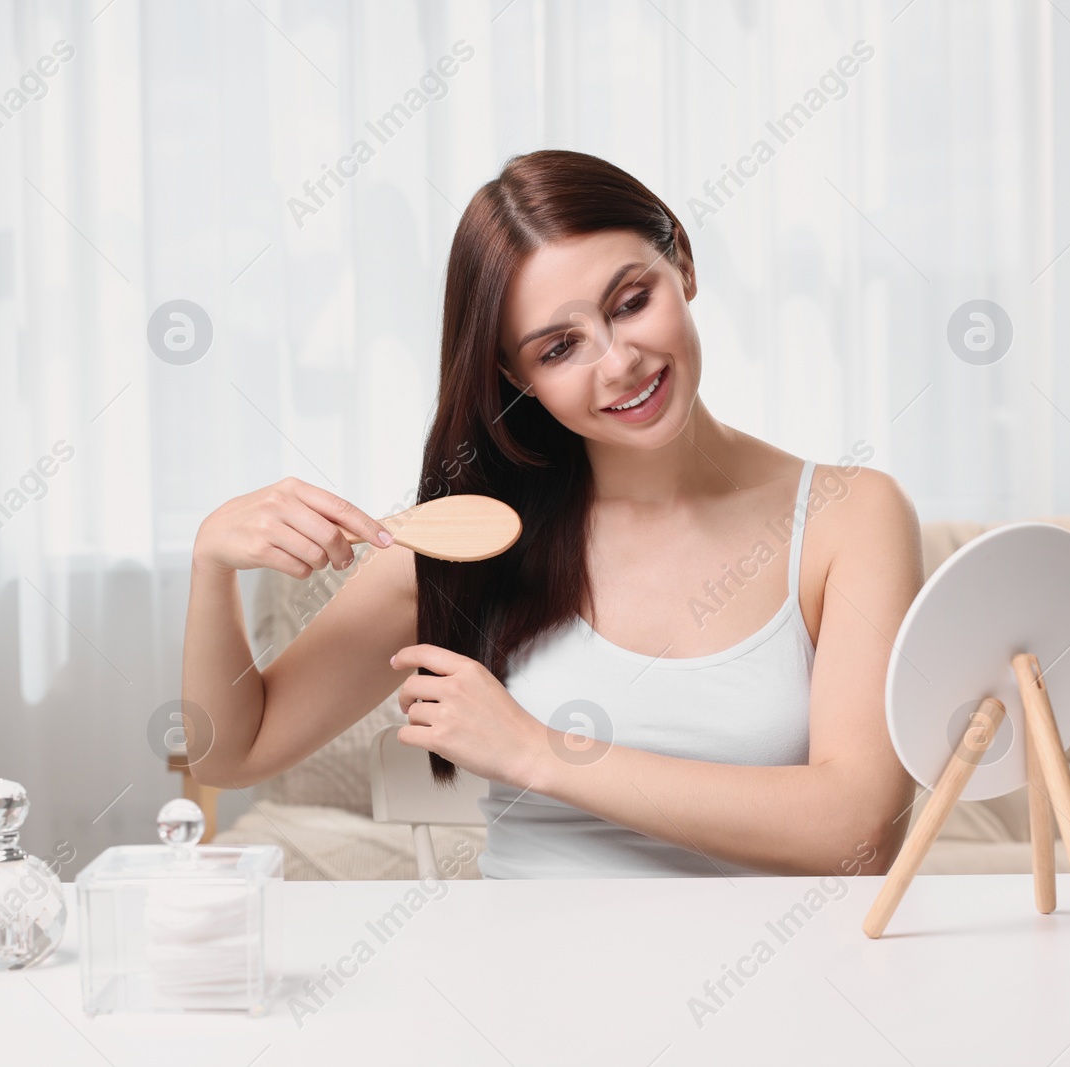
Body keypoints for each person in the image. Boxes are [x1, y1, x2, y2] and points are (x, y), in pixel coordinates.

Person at [185, 149, 920, 879]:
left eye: (632, 302)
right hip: (529, 981)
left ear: (684, 266)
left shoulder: (849, 517)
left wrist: (537, 751)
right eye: (560, 347)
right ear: (516, 376)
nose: (618, 362)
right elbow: (233, 751)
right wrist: (211, 562)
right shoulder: (463, 542)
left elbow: (858, 830)